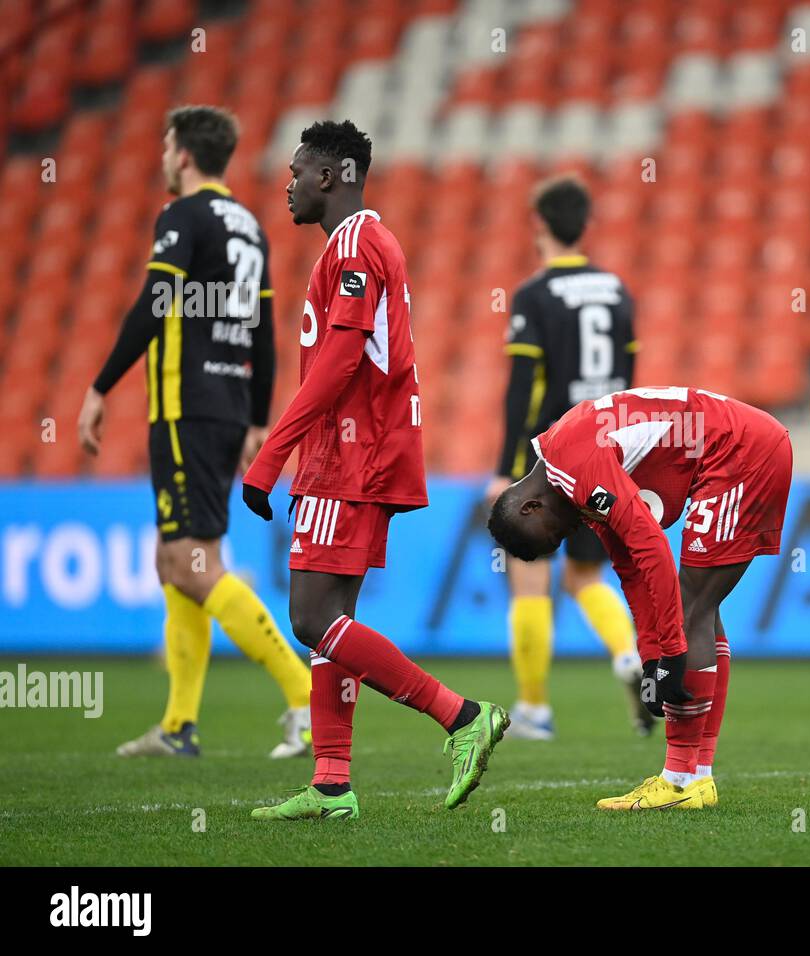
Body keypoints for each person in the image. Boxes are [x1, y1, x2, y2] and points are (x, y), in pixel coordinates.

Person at [241, 120, 506, 820]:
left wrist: (273, 455)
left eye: (298, 170)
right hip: (359, 453)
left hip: (348, 455)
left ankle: (462, 716)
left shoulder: (356, 241)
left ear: (334, 175)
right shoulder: (351, 245)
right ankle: (332, 783)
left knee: (310, 618)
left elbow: (340, 362)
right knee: (335, 621)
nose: (288, 183)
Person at [77, 105, 311, 760]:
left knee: (190, 562)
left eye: (164, 145)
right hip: (229, 404)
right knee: (175, 560)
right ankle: (179, 725)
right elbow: (264, 332)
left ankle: (304, 694)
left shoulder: (183, 217)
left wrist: (99, 387)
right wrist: (258, 418)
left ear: (182, 155)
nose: (160, 157)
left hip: (186, 405)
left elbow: (157, 302)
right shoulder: (250, 227)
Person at [489, 386, 792, 809]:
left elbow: (650, 544)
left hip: (741, 451)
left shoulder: (575, 468)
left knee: (692, 609)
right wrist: (651, 654)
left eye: (553, 535)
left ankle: (679, 779)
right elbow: (630, 567)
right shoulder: (566, 475)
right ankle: (697, 778)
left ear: (530, 507)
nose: (566, 535)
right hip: (740, 444)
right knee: (701, 608)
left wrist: (671, 653)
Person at [484, 174, 649, 740]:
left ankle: (534, 708)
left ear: (539, 225)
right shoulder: (618, 290)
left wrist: (508, 470)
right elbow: (628, 381)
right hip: (606, 450)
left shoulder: (534, 295)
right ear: (586, 226)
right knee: (584, 576)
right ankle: (629, 655)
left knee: (529, 578)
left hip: (549, 455)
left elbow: (522, 388)